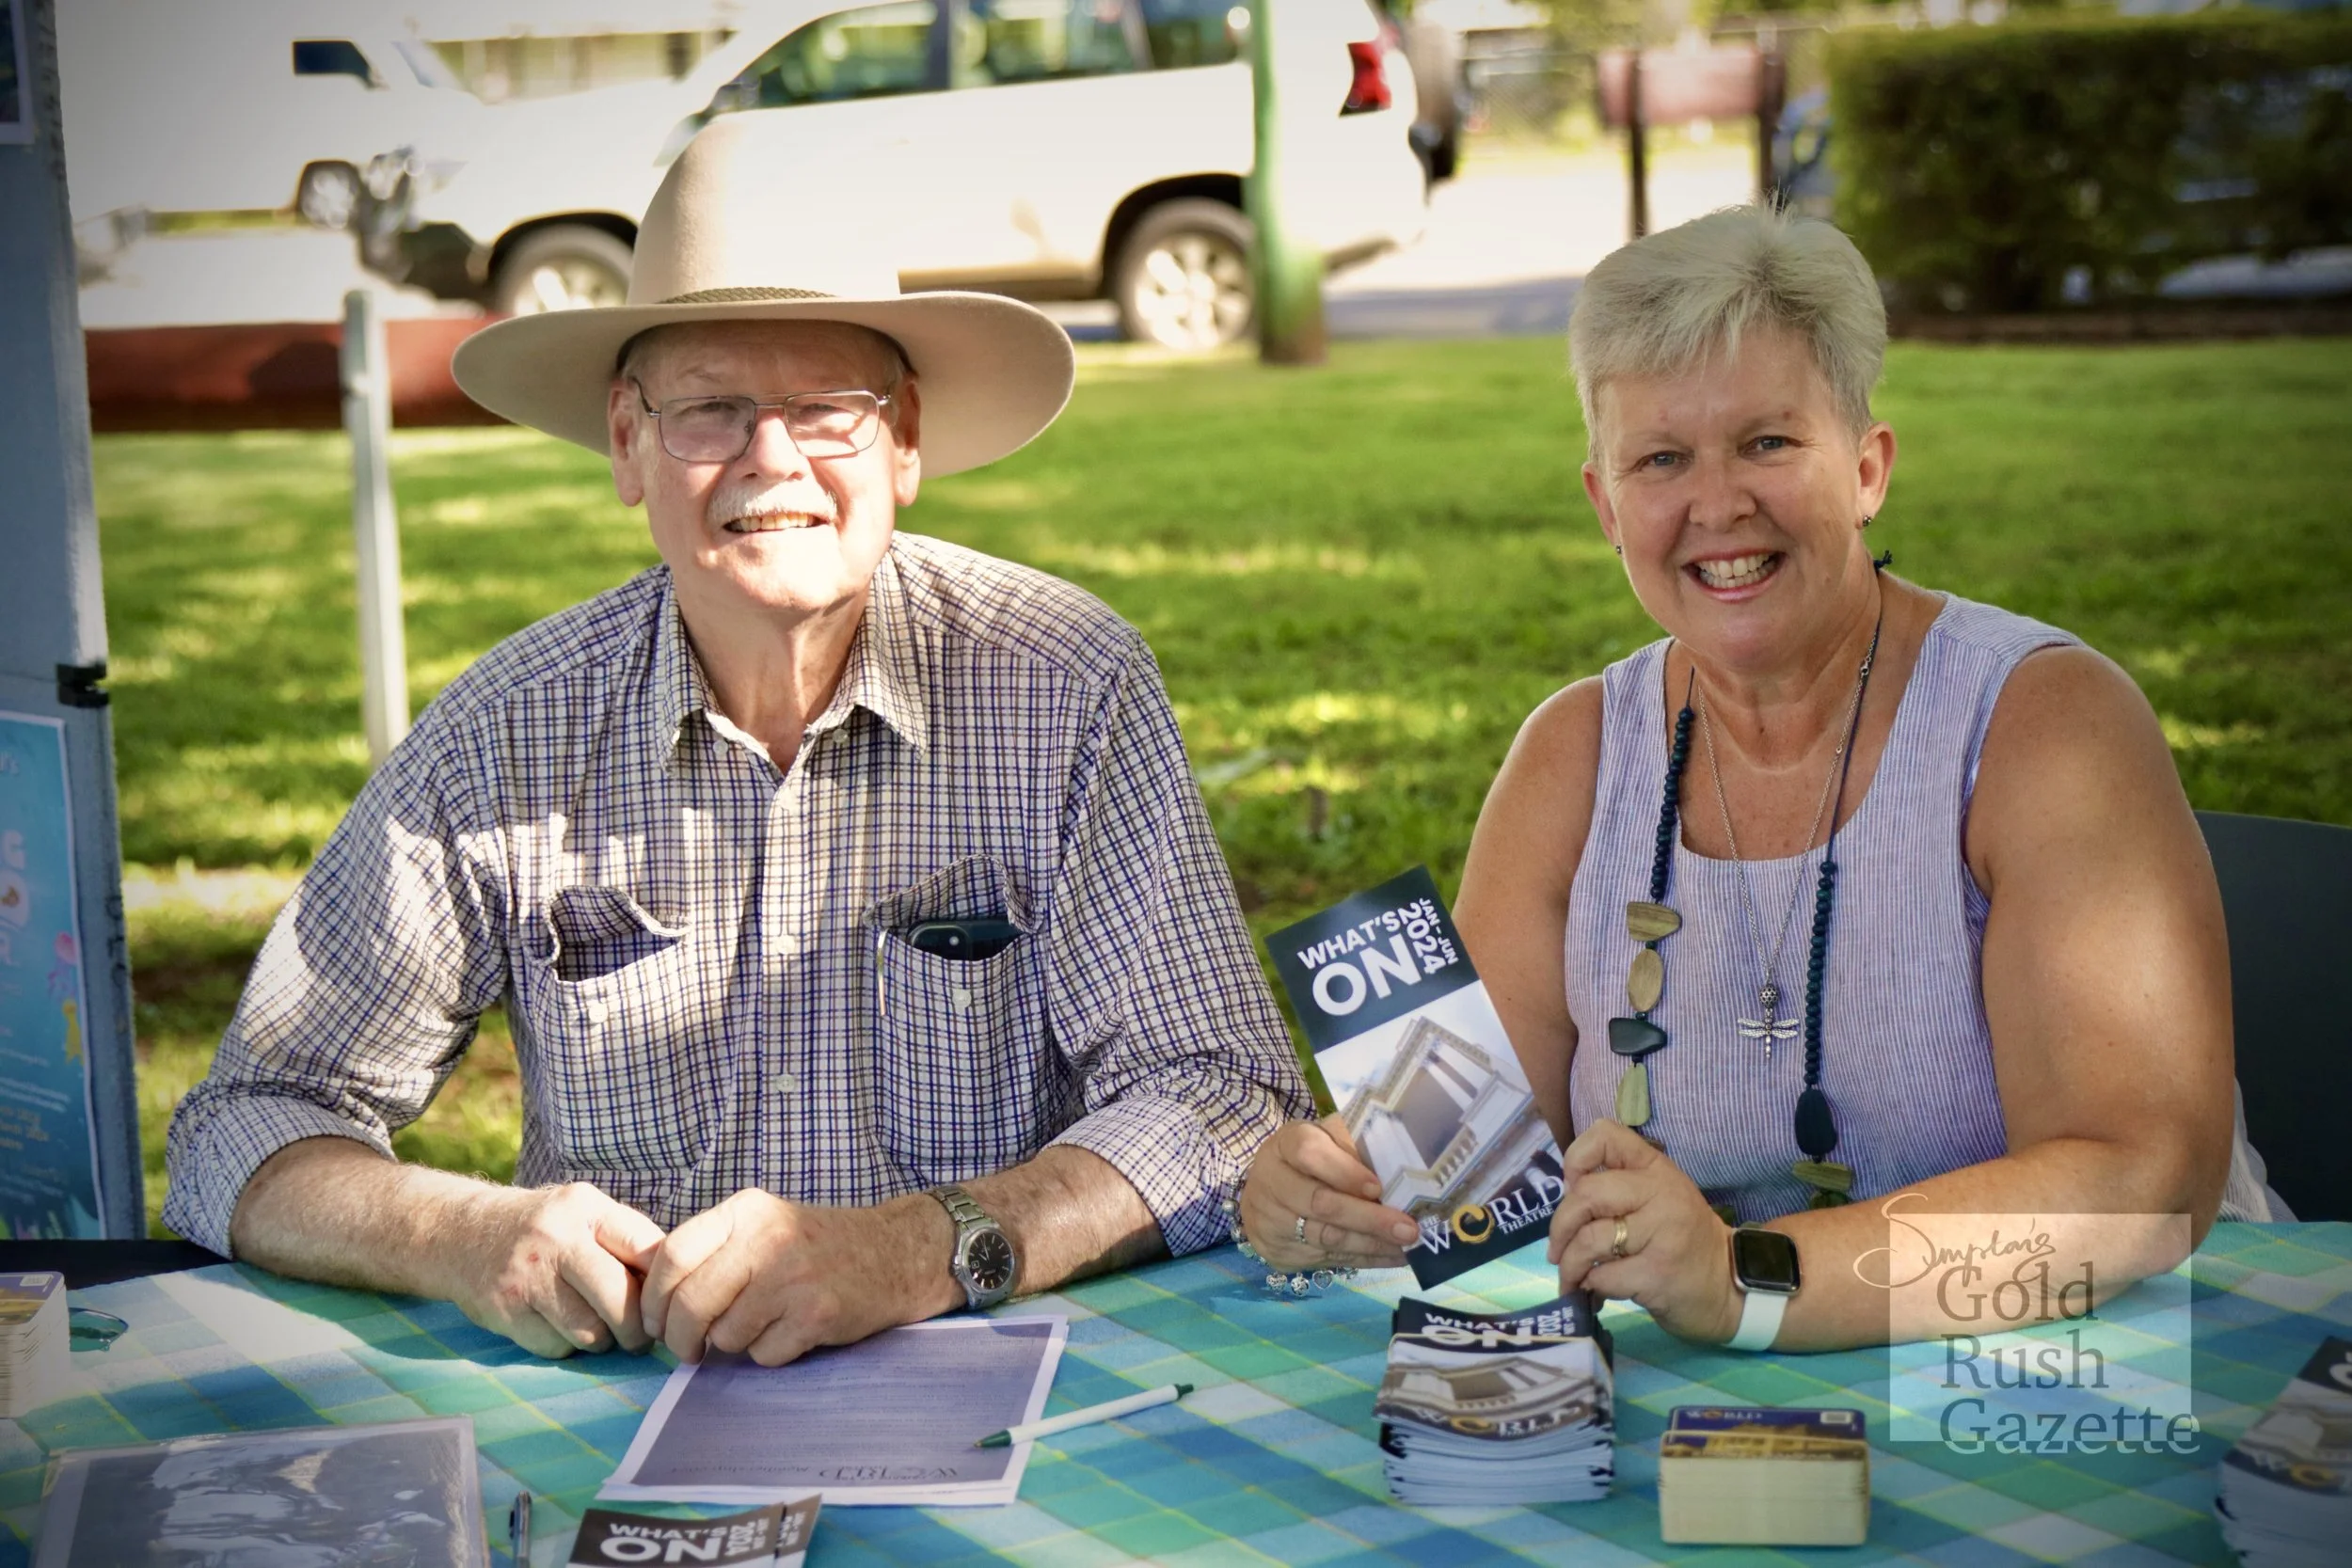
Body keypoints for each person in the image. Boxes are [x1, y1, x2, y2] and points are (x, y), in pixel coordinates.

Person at [164, 117, 1310, 1367]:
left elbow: (1223, 1099)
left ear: (907, 440)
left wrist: (918, 1248)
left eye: (829, 410)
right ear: (625, 441)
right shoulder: (511, 725)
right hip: (628, 1396)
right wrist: (465, 1231)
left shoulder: (1064, 679)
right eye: (711, 411)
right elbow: (245, 1121)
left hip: (1000, 1378)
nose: (774, 462)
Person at [1237, 203, 2280, 1347]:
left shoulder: (2041, 724)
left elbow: (2136, 1188)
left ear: (1869, 467)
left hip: (2094, 1378)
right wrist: (1327, 1189)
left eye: (1768, 442)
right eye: (1662, 459)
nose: (1717, 504)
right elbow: (1466, 1172)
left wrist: (1747, 1280)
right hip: (1714, 1405)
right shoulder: (1572, 755)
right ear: (1604, 504)